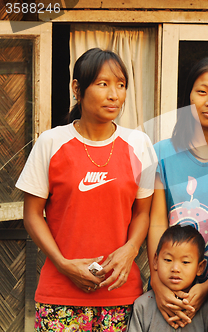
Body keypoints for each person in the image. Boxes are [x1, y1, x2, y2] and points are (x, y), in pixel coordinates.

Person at [15, 48, 156, 331]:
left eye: (121, 85)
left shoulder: (138, 145)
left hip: (121, 296)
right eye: (103, 84)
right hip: (59, 295)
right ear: (77, 88)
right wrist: (64, 264)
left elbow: (143, 213)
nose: (114, 94)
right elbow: (32, 214)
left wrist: (130, 250)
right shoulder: (51, 142)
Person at [148, 56, 208, 328]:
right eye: (202, 92)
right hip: (168, 288)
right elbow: (156, 221)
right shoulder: (161, 153)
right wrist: (157, 281)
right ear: (187, 98)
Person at [127, 225, 208, 332]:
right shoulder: (143, 306)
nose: (175, 269)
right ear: (155, 261)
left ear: (200, 267)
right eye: (168, 260)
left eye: (185, 262)